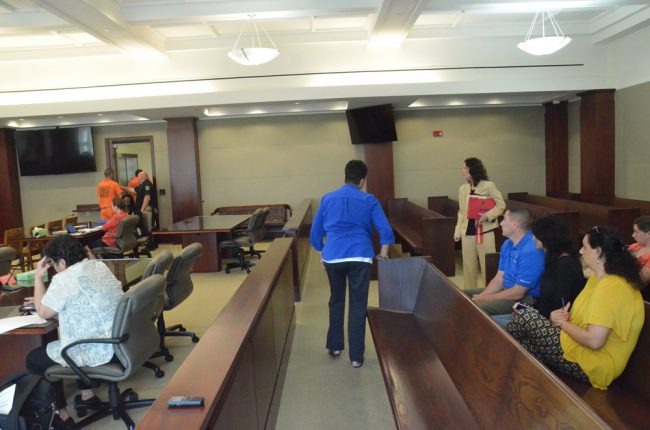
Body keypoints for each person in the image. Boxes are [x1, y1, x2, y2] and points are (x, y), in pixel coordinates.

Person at [507, 226, 644, 389]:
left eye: (585, 247)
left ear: (598, 252)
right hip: (577, 348)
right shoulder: (598, 278)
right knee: (525, 349)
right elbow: (583, 318)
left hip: (593, 364)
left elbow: (594, 341)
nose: (580, 251)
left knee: (525, 316)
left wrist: (562, 324)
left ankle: (490, 356)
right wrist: (561, 317)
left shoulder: (611, 286)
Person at [24, 235, 124, 427]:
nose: (53, 268)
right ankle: (87, 393)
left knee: (34, 360)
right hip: (122, 342)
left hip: (101, 349)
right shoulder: (98, 266)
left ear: (61, 262)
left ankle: (60, 412)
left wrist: (38, 278)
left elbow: (44, 312)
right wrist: (46, 297)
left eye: (53, 264)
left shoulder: (64, 279)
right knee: (77, 336)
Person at [310, 160, 394, 368]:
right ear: (363, 180)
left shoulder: (328, 198)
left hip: (333, 257)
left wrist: (322, 254)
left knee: (336, 299)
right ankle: (356, 356)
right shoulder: (369, 200)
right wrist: (383, 255)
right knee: (358, 305)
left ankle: (335, 345)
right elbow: (385, 230)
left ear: (345, 176)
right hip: (360, 257)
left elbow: (315, 233)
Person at [493, 215, 585, 327]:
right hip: (542, 315)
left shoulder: (565, 265)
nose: (533, 238)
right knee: (492, 320)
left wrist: (531, 313)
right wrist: (527, 310)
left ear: (546, 237)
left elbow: (560, 306)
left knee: (492, 324)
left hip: (553, 324)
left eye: (536, 235)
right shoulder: (553, 257)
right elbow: (546, 299)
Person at [467, 207, 545, 315]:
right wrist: (482, 296)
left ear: (515, 225)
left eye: (504, 219)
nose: (501, 223)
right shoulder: (507, 244)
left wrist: (485, 299)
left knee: (476, 309)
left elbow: (518, 293)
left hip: (526, 299)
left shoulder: (531, 249)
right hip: (506, 290)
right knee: (462, 295)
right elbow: (499, 278)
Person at [454, 158, 506, 290]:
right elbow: (461, 212)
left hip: (485, 231)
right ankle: (469, 294)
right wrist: (458, 231)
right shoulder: (463, 188)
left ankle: (490, 292)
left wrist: (488, 216)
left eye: (465, 168)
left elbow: (501, 205)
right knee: (468, 267)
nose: (462, 171)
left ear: (473, 169)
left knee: (487, 265)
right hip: (468, 233)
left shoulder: (488, 185)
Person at [629, 215, 650, 285]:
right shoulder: (634, 246)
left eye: (636, 232)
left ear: (648, 234)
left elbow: (640, 280)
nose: (633, 235)